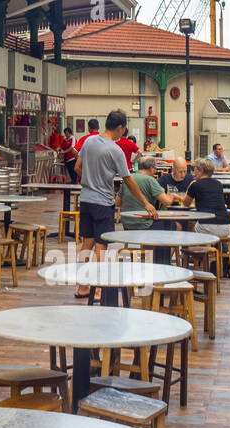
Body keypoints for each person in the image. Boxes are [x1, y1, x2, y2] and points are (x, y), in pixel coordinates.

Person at [74, 109, 156, 299]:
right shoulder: (115, 150)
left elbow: (78, 167)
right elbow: (128, 180)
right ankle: (99, 289)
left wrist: (90, 181)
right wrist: (145, 203)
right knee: (102, 246)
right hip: (103, 203)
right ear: (120, 127)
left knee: (87, 243)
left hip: (85, 199)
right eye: (123, 129)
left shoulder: (88, 141)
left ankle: (83, 287)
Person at [182, 159, 230, 268]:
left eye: (195, 170)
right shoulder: (218, 184)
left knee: (191, 228)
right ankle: (222, 263)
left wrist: (189, 187)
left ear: (201, 171)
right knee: (201, 227)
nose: (194, 173)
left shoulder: (195, 185)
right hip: (225, 226)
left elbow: (186, 203)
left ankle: (195, 259)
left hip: (207, 226)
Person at [121, 157, 180, 231]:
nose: (155, 171)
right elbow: (167, 202)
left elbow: (117, 202)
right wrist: (172, 195)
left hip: (127, 224)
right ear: (151, 168)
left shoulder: (128, 180)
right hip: (145, 225)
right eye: (155, 169)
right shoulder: (150, 180)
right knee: (176, 225)